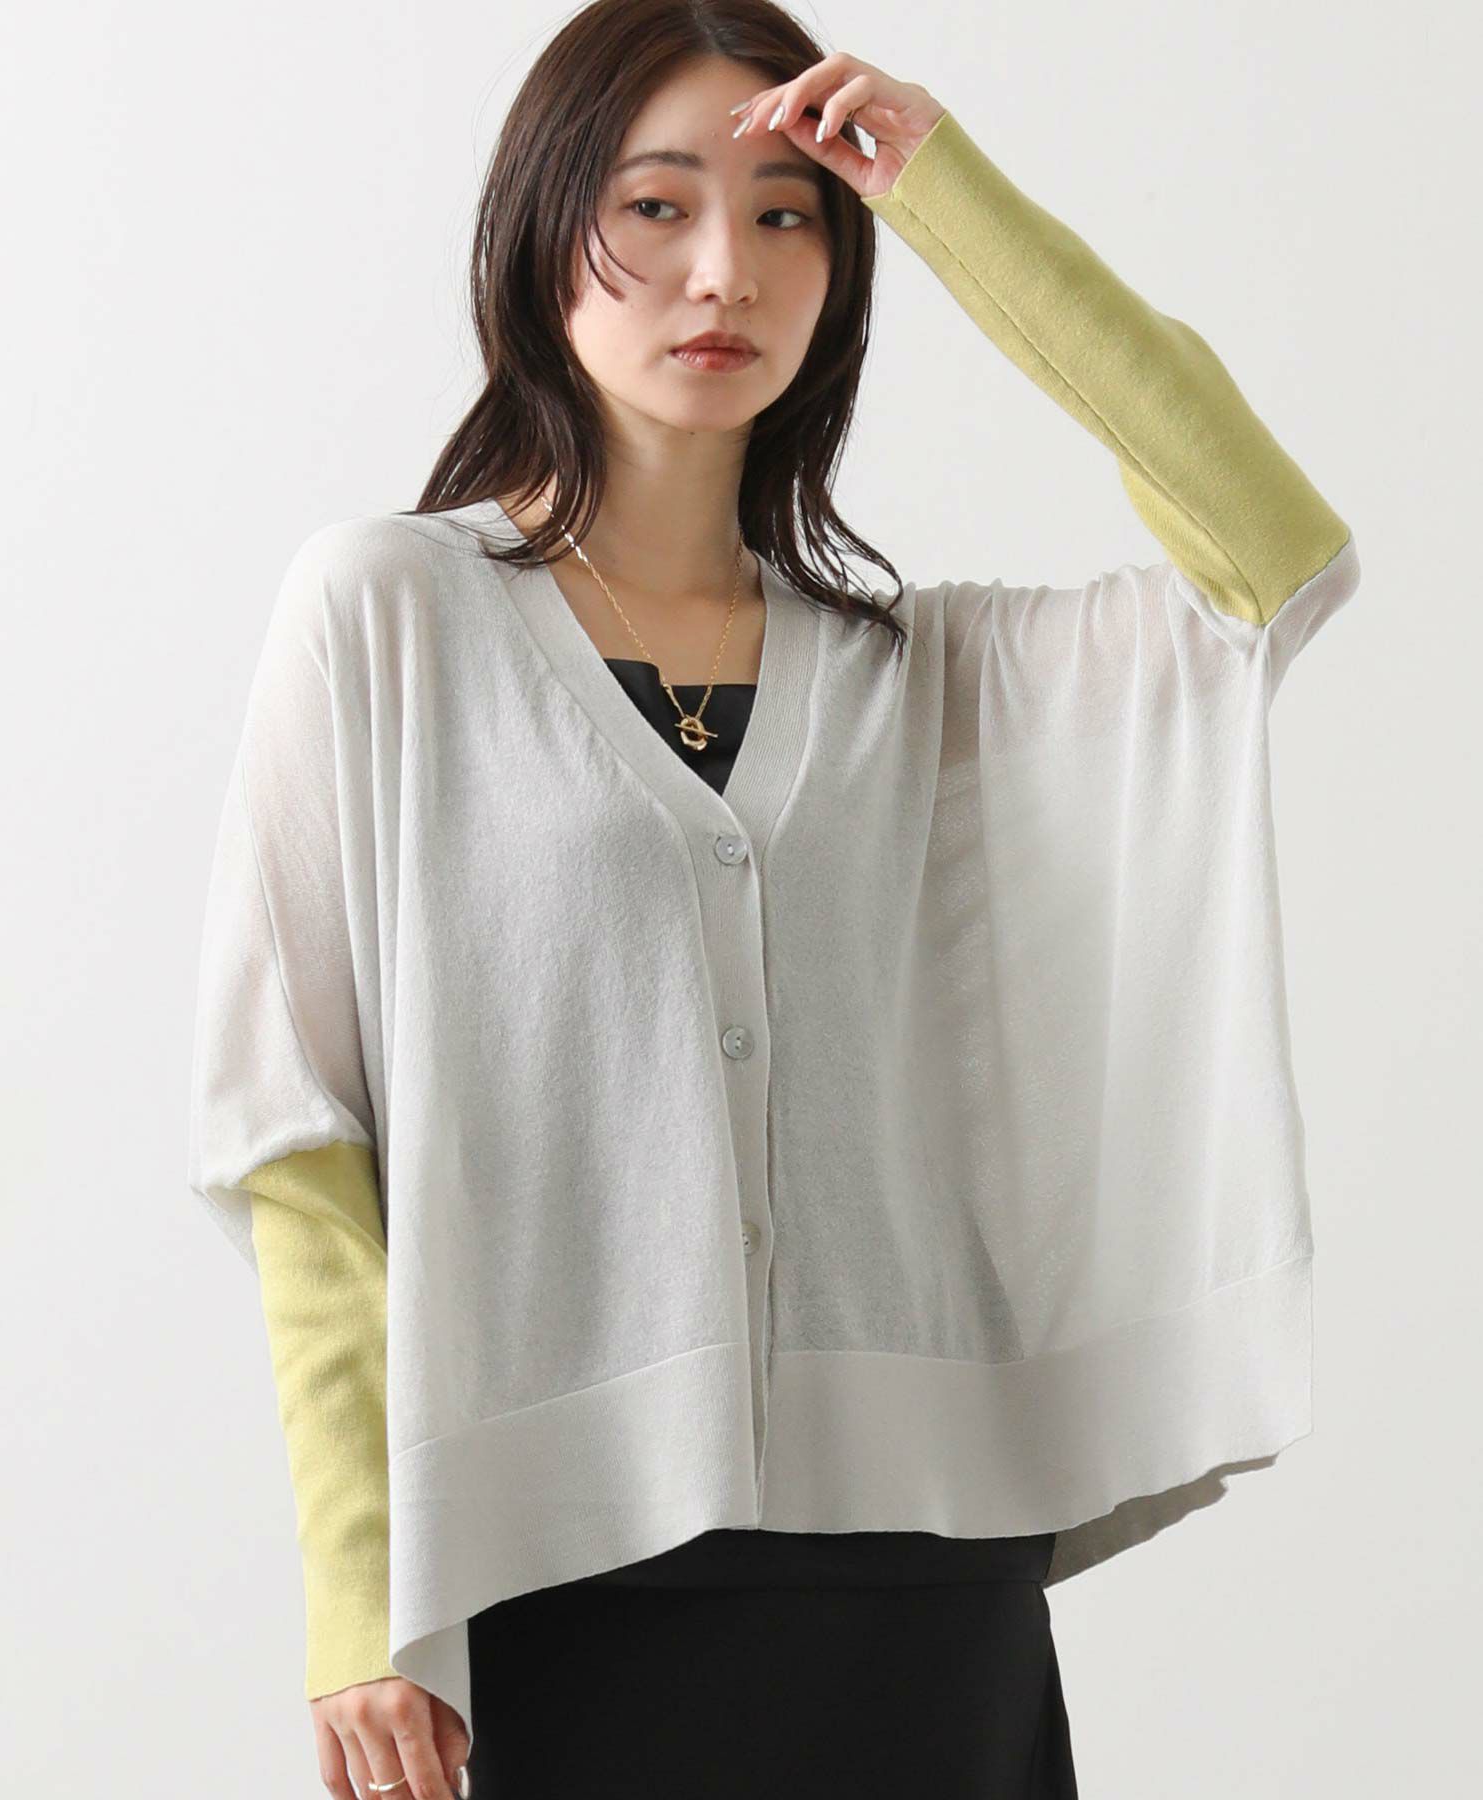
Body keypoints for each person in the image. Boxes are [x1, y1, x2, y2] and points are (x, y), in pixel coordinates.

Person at [186, 6, 1359, 1797]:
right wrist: (363, 1595)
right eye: (654, 208)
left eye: (786, 215)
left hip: (922, 1592)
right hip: (549, 1582)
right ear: (542, 235)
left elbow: (1271, 560)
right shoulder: (388, 616)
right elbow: (294, 1130)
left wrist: (944, 188)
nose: (723, 271)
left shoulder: (927, 681)